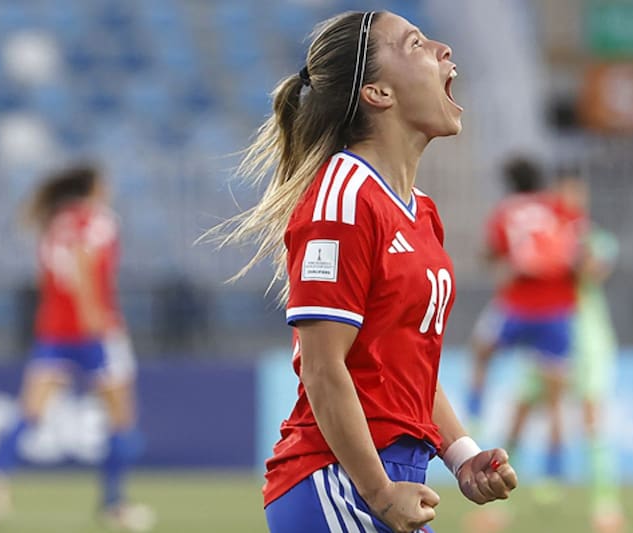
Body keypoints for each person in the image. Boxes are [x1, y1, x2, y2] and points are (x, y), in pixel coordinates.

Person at [214, 10, 517, 533]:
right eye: (416, 43)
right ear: (378, 93)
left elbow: (405, 368)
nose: (444, 49)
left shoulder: (419, 210)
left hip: (384, 480)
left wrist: (461, 455)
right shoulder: (342, 200)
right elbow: (323, 367)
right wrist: (378, 491)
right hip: (338, 483)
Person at [0, 164, 153, 532]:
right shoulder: (98, 221)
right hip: (94, 333)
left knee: (31, 412)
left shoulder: (53, 222)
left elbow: (49, 273)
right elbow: (83, 263)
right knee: (121, 418)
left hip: (54, 332)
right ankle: (114, 504)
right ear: (92, 188)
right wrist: (93, 313)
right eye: (104, 184)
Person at [510, 175, 625, 533]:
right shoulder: (541, 234)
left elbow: (593, 267)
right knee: (523, 411)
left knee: (592, 418)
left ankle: (605, 506)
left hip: (587, 340)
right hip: (549, 330)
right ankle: (499, 502)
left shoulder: (592, 237)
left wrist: (564, 249)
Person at [466, 157, 585, 499]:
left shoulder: (507, 211)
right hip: (558, 310)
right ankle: (553, 476)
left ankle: (474, 413)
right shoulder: (562, 209)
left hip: (517, 304)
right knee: (555, 397)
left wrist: (496, 261)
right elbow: (580, 252)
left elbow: (493, 253)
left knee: (481, 351)